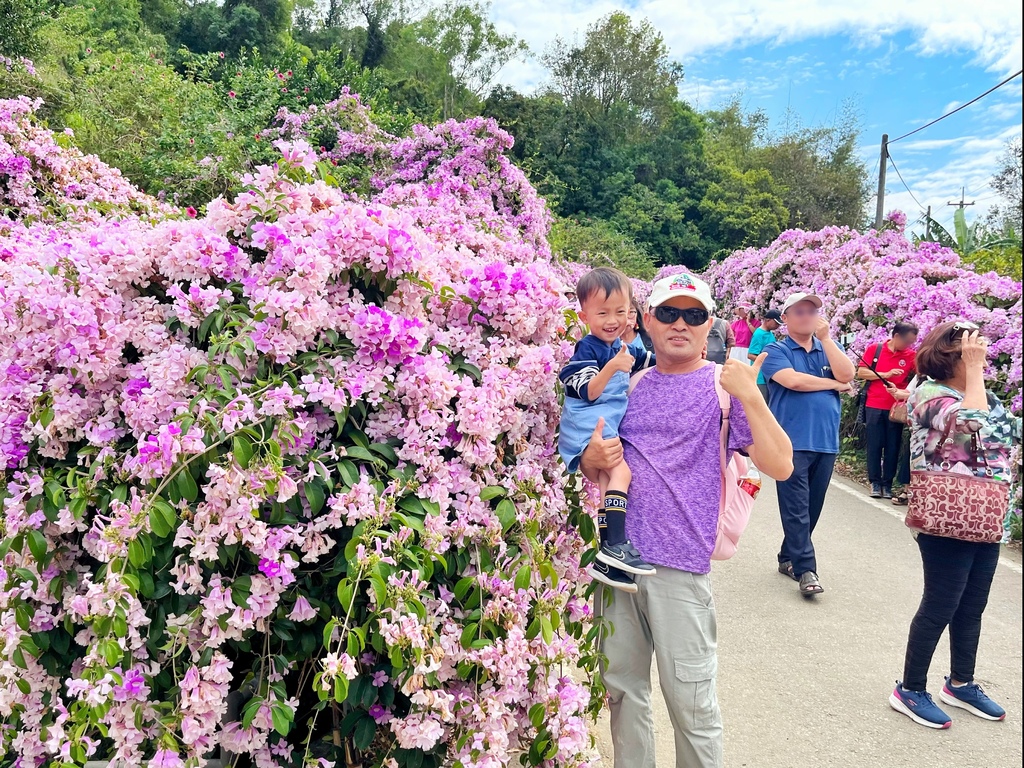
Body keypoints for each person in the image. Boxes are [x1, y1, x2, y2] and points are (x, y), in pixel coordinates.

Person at [582, 271, 793, 768]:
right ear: (647, 321)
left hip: (681, 569)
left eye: (694, 315)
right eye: (670, 313)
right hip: (619, 564)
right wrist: (593, 455)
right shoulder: (628, 385)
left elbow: (780, 464)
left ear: (709, 325)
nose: (681, 324)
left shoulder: (724, 389)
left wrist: (752, 394)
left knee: (692, 708)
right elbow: (599, 469)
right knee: (623, 694)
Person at [889, 321, 1020, 729]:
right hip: (946, 517)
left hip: (988, 514)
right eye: (973, 351)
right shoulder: (928, 394)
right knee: (942, 603)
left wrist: (978, 382)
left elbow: (1009, 433)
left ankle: (961, 682)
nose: (982, 357)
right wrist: (975, 370)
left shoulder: (985, 396)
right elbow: (972, 423)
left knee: (972, 605)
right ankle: (909, 689)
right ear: (953, 356)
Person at [558, 267, 657, 593]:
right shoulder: (589, 348)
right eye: (602, 313)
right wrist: (613, 367)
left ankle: (606, 559)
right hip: (589, 422)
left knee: (604, 481)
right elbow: (587, 390)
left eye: (620, 312)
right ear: (586, 315)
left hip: (599, 423)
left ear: (631, 313)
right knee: (621, 475)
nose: (612, 320)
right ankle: (616, 542)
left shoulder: (621, 347)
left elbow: (648, 361)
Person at [760, 292, 856, 596]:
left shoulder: (829, 348)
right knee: (797, 508)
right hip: (789, 442)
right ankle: (806, 569)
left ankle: (788, 557)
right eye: (799, 312)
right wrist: (834, 385)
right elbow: (794, 381)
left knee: (812, 507)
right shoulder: (776, 350)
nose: (806, 316)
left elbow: (848, 373)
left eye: (812, 311)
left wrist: (827, 340)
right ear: (784, 319)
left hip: (825, 441)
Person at [856, 322, 919, 498]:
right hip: (874, 405)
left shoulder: (911, 355)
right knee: (875, 445)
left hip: (896, 408)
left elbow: (921, 375)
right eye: (907, 341)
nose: (909, 346)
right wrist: (886, 374)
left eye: (912, 342)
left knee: (893, 446)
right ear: (896, 336)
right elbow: (861, 372)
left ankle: (888, 483)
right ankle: (875, 482)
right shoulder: (874, 349)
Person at [747, 309, 782, 401]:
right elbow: (750, 355)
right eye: (776, 323)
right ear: (767, 320)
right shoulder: (759, 334)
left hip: (768, 376)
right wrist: (767, 361)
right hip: (760, 377)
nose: (778, 326)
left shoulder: (770, 333)